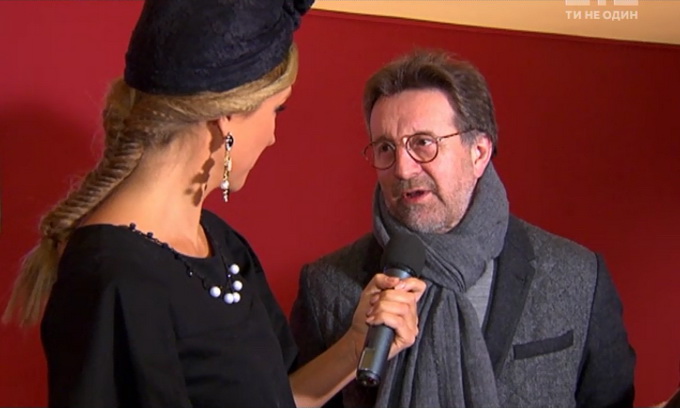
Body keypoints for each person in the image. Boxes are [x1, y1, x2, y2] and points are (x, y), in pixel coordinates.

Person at [2, 1, 426, 407]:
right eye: (276, 110)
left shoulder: (221, 244)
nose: (272, 136)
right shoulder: (113, 279)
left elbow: (275, 398)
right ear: (228, 116)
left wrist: (355, 346)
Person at [290, 50, 636, 408]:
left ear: (479, 152)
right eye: (385, 148)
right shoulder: (325, 287)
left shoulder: (578, 276)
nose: (403, 169)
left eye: (423, 143)